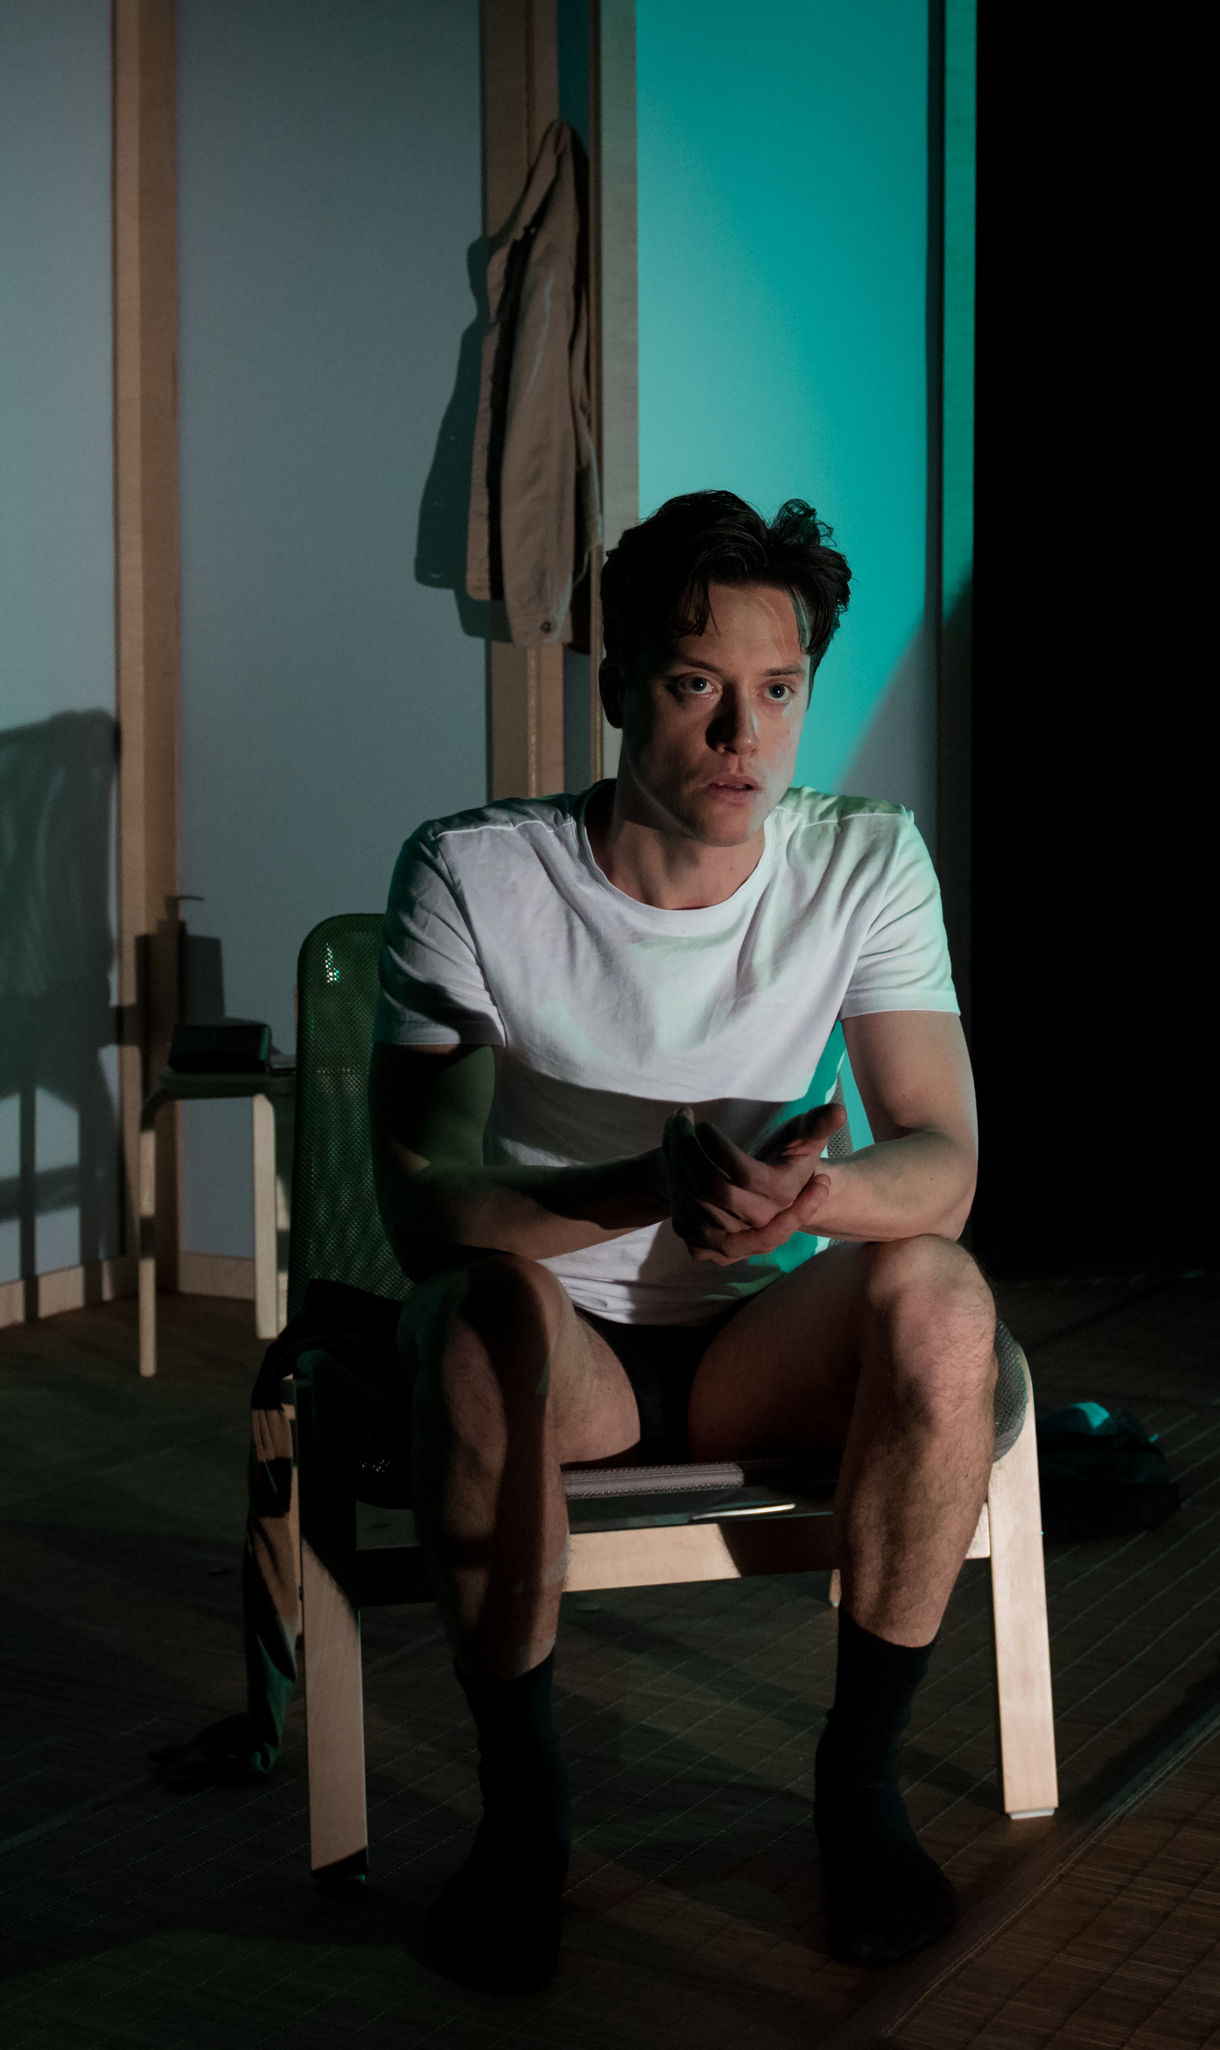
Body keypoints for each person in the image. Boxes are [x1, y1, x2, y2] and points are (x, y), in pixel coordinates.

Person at [372, 488, 992, 1992]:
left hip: (758, 1346)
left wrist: (806, 1202)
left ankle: (861, 1786)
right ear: (617, 689)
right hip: (563, 1342)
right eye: (696, 684)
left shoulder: (864, 859)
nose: (741, 736)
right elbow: (424, 1202)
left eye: (777, 691)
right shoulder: (475, 870)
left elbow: (942, 1162)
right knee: (471, 1319)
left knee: (944, 1295)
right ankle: (525, 1817)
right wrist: (648, 1185)